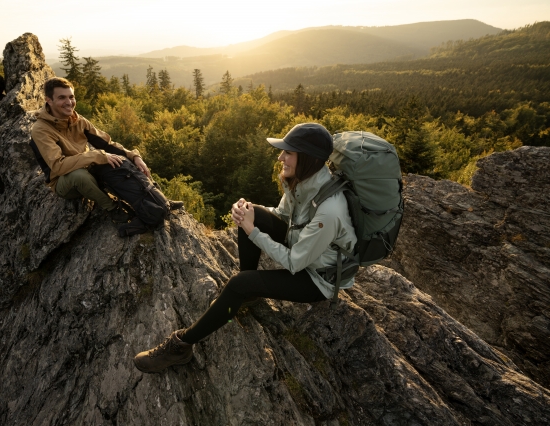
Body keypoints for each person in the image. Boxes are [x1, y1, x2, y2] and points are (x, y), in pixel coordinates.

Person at [133, 123, 357, 373]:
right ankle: (248, 292)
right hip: (306, 250)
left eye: (288, 152)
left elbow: (295, 262)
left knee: (239, 282)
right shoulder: (304, 180)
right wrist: (248, 212)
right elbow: (283, 214)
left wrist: (252, 230)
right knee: (252, 214)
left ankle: (181, 346)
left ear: (307, 158)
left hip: (318, 279)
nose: (280, 157)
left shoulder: (330, 210)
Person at [30, 77, 181, 236]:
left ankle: (155, 198)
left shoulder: (78, 120)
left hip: (86, 167)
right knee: (80, 175)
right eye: (62, 98)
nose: (69, 102)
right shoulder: (41, 130)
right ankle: (113, 209)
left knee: (117, 161)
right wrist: (95, 156)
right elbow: (58, 166)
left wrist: (134, 156)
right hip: (64, 181)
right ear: (49, 100)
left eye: (71, 97)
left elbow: (107, 144)